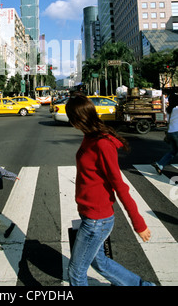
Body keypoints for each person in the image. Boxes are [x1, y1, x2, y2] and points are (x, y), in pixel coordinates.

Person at [65, 93, 155, 286]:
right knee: (100, 262)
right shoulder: (90, 137)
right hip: (91, 215)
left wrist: (138, 223)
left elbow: (119, 186)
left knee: (75, 273)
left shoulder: (102, 144)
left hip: (97, 220)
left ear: (76, 119)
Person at [152, 92, 178, 175]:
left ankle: (160, 165)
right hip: (177, 133)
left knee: (173, 151)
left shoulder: (168, 109)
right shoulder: (177, 109)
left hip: (170, 133)